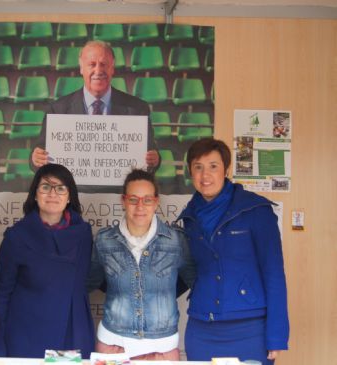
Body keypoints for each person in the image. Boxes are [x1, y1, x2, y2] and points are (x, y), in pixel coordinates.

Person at [176, 138, 289, 364]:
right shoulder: (189, 217)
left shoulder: (256, 210)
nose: (205, 175)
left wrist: (276, 336)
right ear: (190, 172)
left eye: (213, 166)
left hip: (250, 329)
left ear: (226, 169)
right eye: (198, 167)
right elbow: (190, 272)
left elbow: (274, 274)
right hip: (202, 328)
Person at [0, 164, 95, 358]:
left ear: (69, 196)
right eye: (45, 187)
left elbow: (84, 283)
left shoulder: (84, 233)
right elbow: (2, 293)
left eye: (60, 188)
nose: (53, 193)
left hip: (71, 335)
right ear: (35, 194)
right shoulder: (16, 236)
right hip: (26, 336)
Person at [87, 169, 195, 360]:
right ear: (123, 201)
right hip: (113, 345)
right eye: (133, 199)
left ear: (156, 202)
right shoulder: (105, 240)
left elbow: (192, 281)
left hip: (162, 348)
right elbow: (92, 282)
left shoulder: (176, 240)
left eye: (147, 199)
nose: (140, 206)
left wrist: (161, 293)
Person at [31, 40, 160, 171]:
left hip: (119, 190)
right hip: (74, 189)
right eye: (92, 65)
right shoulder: (57, 110)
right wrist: (35, 158)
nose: (98, 70)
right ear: (81, 68)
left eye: (103, 64)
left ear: (112, 68)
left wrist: (155, 159)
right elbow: (40, 153)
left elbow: (150, 155)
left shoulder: (138, 109)